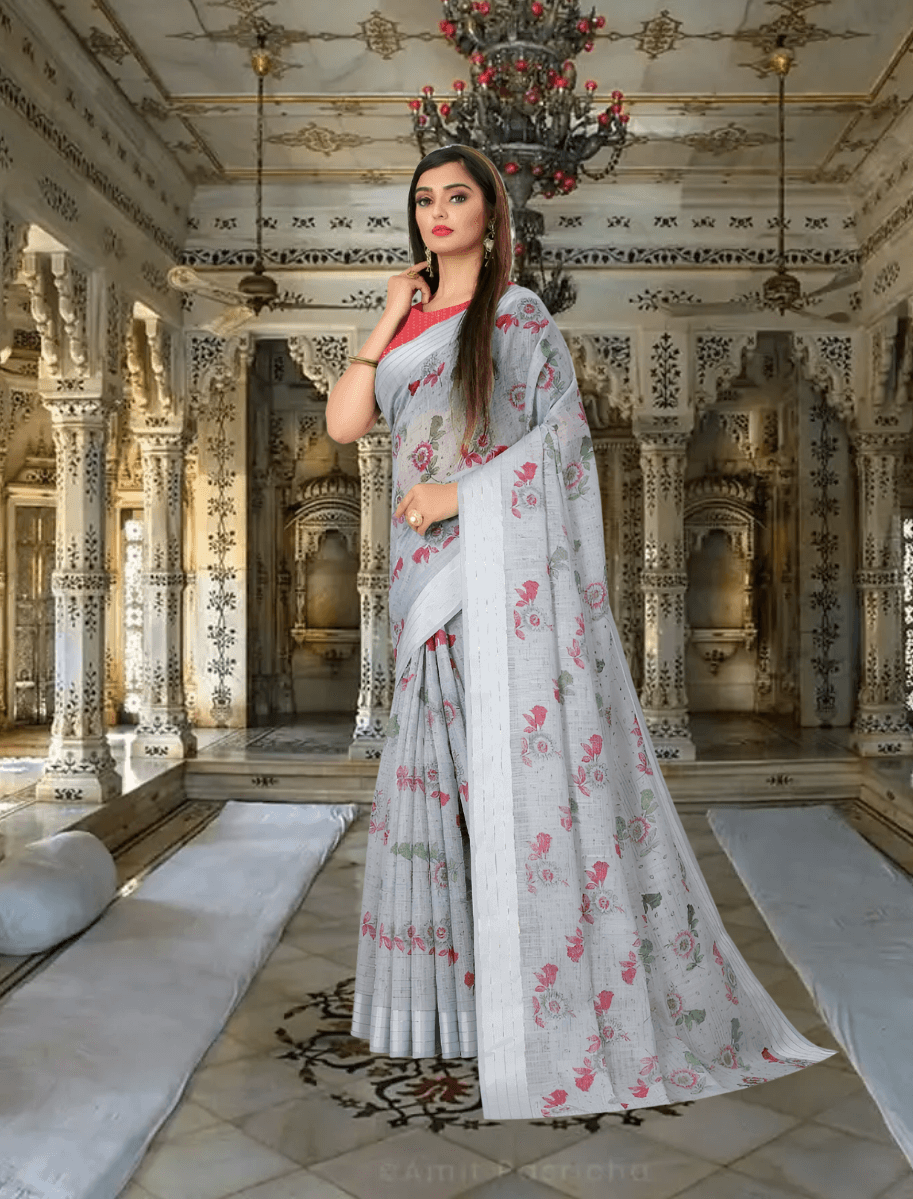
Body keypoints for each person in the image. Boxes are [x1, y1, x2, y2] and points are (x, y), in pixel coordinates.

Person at [325, 143, 834, 1121]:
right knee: (437, 796)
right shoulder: (407, 325)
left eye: (457, 195)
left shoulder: (514, 319)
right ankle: (450, 1009)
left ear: (491, 209)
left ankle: (535, 999)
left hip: (486, 582)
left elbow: (556, 446)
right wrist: (390, 311)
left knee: (503, 791)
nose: (439, 211)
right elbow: (351, 423)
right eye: (424, 198)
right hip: (417, 588)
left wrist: (459, 494)